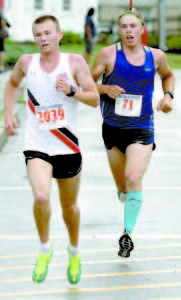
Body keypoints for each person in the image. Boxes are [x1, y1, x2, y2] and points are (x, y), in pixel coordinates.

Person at [4, 15, 99, 284]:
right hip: (37, 145)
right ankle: (45, 249)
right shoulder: (26, 62)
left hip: (67, 146)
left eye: (47, 33)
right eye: (38, 34)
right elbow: (11, 85)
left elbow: (93, 98)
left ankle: (74, 252)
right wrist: (8, 114)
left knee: (68, 207)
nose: (43, 38)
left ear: (59, 35)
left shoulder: (75, 63)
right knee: (42, 197)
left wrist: (72, 91)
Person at [91, 8, 174, 258]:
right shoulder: (107, 55)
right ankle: (125, 194)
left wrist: (168, 95)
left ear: (141, 29)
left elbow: (168, 75)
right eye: (124, 26)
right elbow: (85, 83)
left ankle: (126, 235)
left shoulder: (156, 56)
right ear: (120, 30)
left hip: (142, 128)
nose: (128, 30)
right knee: (123, 187)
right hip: (113, 129)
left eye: (133, 26)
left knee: (134, 177)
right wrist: (105, 89)